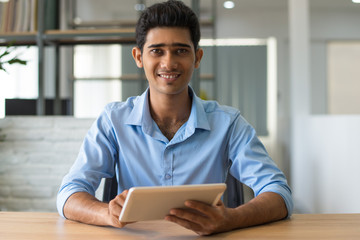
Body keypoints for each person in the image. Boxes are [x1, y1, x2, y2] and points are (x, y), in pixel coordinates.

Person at [57, 0, 293, 236]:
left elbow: (278, 192)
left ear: (197, 57)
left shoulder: (228, 123)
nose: (168, 62)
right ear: (139, 57)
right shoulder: (113, 120)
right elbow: (69, 193)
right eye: (156, 51)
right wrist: (106, 213)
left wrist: (232, 218)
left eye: (180, 50)